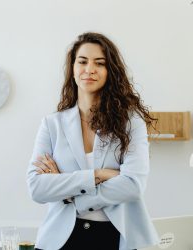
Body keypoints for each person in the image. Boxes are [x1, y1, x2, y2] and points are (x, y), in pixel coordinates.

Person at [27, 32, 158, 250]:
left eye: (99, 63)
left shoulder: (130, 122)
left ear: (110, 71)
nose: (89, 69)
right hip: (60, 238)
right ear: (73, 68)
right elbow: (37, 188)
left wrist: (71, 196)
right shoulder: (52, 124)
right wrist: (98, 175)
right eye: (82, 61)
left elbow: (132, 186)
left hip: (114, 236)